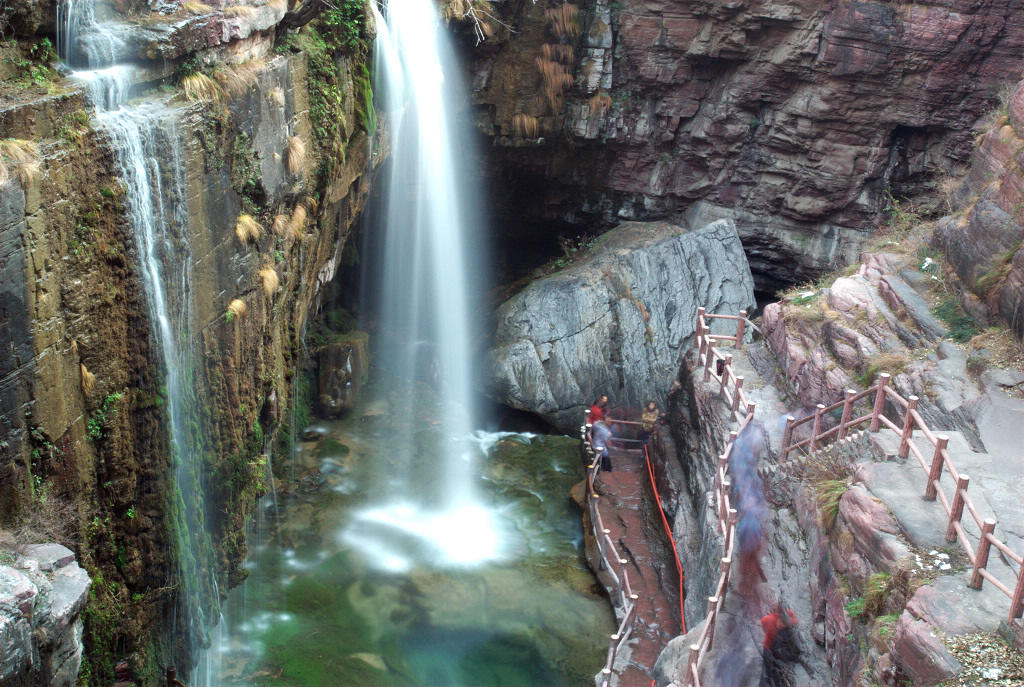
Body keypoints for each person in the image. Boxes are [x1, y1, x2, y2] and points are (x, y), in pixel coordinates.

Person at [760, 601, 800, 687]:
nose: (781, 625)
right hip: (769, 647)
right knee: (769, 670)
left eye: (783, 624)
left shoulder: (786, 623)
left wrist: (791, 614)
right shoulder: (770, 619)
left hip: (777, 644)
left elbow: (794, 621)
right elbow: (761, 622)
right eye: (781, 624)